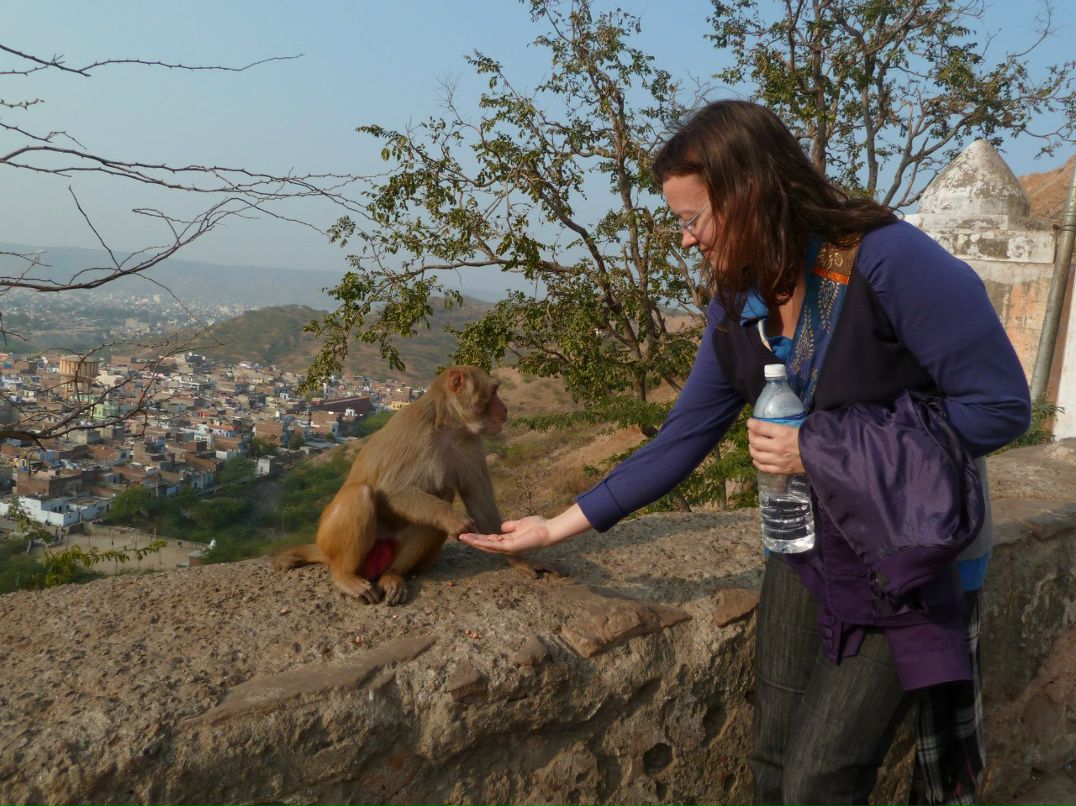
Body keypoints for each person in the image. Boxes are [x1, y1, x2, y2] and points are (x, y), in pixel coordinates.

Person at [460, 100, 1031, 806]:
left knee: (820, 776)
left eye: (692, 219)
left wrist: (817, 448)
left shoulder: (888, 259)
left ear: (750, 194)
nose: (687, 240)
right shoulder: (739, 304)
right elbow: (683, 437)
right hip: (808, 543)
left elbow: (1001, 407)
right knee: (771, 761)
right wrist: (556, 525)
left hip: (910, 554)